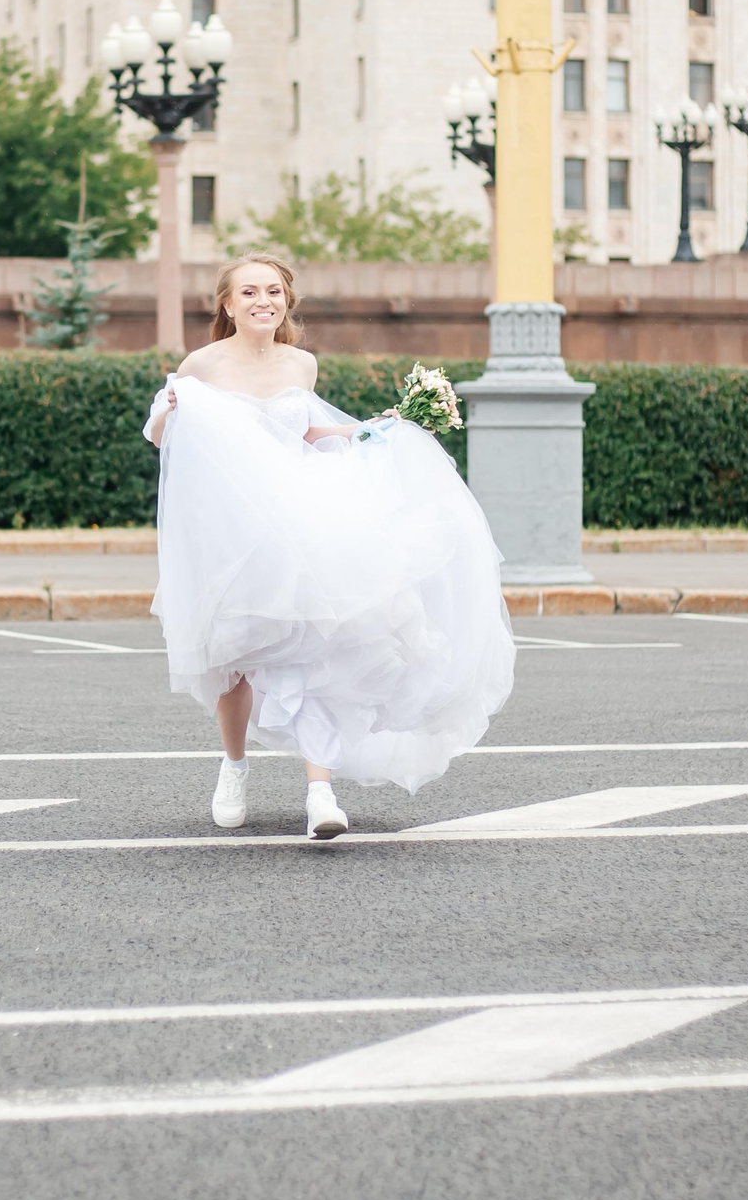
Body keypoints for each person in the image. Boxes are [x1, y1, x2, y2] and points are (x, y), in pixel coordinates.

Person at [143, 255, 515, 839]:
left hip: (299, 519)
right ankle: (234, 767)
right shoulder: (202, 364)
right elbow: (166, 438)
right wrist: (167, 411)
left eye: (273, 291)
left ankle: (321, 792)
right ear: (228, 304)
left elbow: (305, 432)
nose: (263, 301)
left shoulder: (302, 363)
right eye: (249, 292)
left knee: (313, 648)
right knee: (234, 662)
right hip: (233, 530)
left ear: (286, 301)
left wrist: (370, 429)